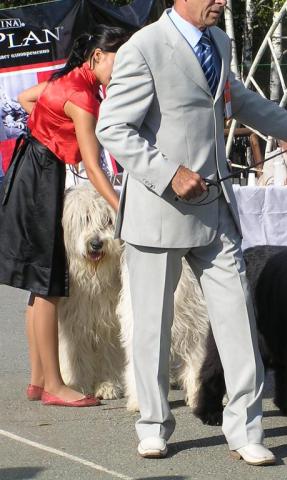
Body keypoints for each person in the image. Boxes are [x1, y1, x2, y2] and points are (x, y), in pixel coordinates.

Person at [95, 0, 287, 465]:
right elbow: (113, 127)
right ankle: (153, 425)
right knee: (152, 326)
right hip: (158, 211)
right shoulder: (144, 47)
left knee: (239, 319)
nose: (222, 2)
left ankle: (246, 429)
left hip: (216, 211)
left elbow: (239, 97)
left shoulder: (219, 40)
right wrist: (168, 172)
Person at [0, 26, 130, 408]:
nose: (118, 74)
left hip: (28, 169)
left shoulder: (64, 80)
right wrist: (121, 210)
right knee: (50, 284)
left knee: (37, 285)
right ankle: (56, 386)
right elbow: (93, 167)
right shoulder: (84, 96)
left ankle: (38, 379)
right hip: (41, 178)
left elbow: (26, 98)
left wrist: (52, 129)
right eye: (116, 65)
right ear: (96, 57)